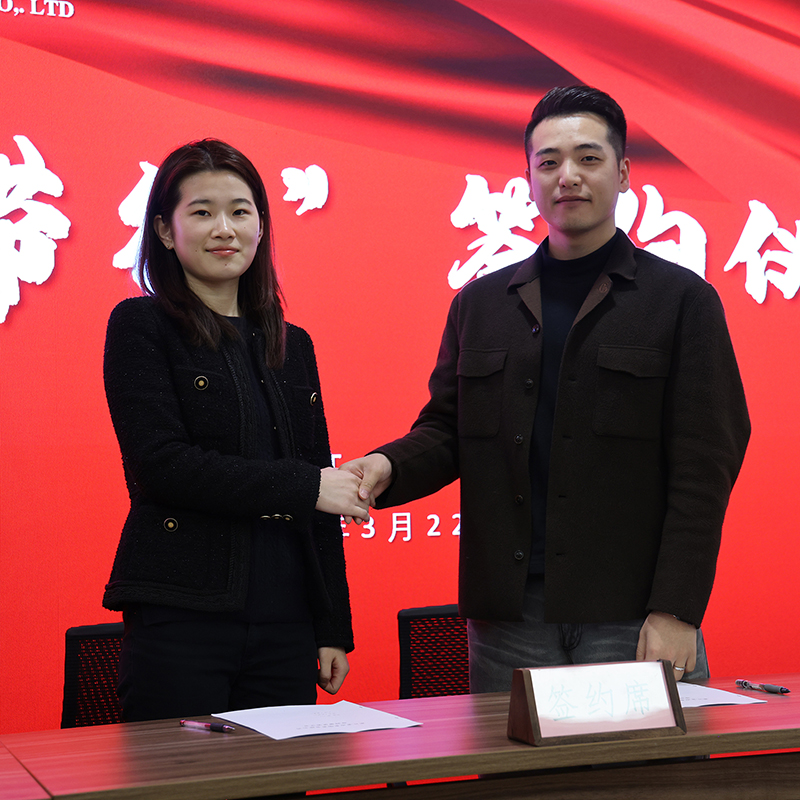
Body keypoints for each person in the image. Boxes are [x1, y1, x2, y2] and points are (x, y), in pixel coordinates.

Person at [341, 86, 750, 692]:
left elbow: (705, 464)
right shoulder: (481, 304)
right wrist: (386, 467)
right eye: (549, 161)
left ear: (623, 173)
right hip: (509, 617)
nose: (568, 177)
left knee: (643, 761)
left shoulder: (682, 300)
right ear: (529, 177)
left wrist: (676, 609)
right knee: (512, 758)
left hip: (632, 613)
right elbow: (449, 430)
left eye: (589, 158)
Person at [102, 138, 368, 721]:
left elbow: (322, 491)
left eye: (240, 211)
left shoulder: (293, 345)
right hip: (182, 613)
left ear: (261, 226)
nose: (224, 228)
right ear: (166, 231)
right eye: (202, 212)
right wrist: (306, 486)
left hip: (287, 621)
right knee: (178, 771)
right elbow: (162, 466)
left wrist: (332, 627)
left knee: (281, 772)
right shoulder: (141, 324)